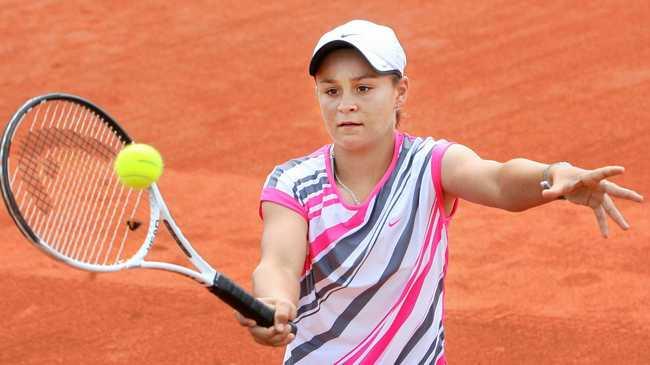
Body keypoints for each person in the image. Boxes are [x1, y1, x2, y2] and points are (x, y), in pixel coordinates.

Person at [235, 19, 644, 364]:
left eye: (363, 88)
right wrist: (274, 304)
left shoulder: (430, 165)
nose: (345, 104)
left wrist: (551, 175)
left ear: (400, 92)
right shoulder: (292, 182)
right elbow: (278, 264)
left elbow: (499, 180)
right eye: (331, 90)